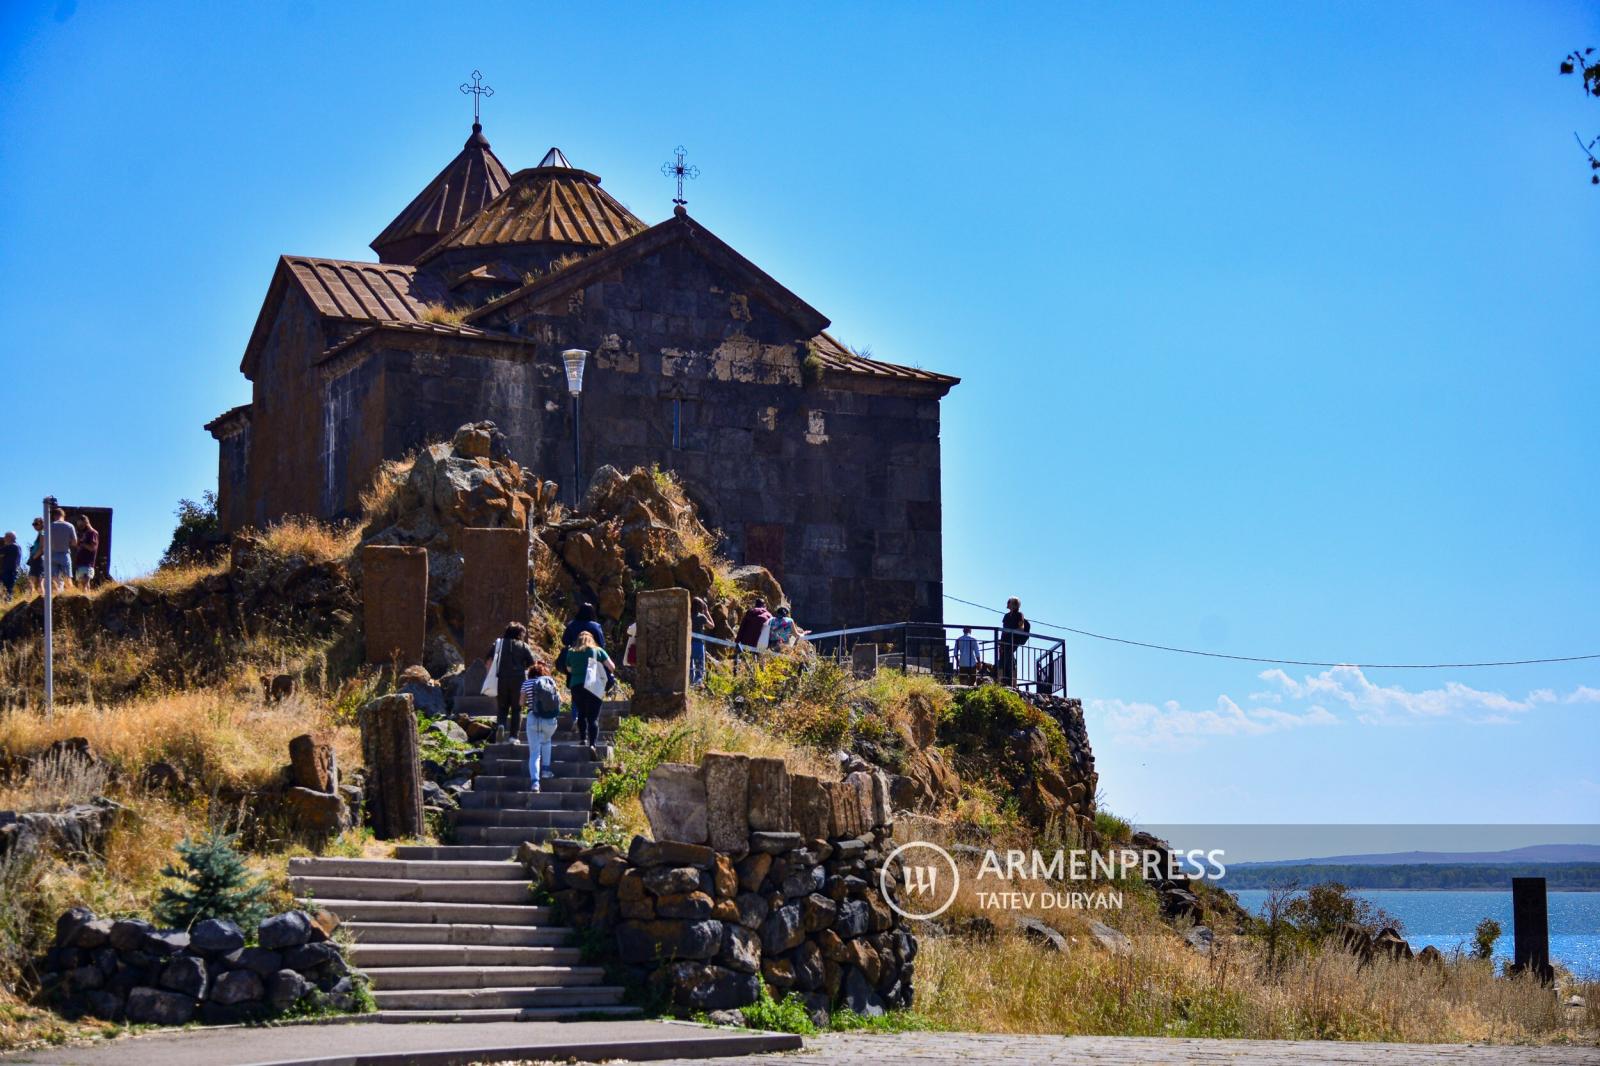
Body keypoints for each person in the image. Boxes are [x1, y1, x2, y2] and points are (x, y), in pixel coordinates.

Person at [559, 630, 614, 753]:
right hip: (593, 685)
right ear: (591, 639)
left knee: (581, 714)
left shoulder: (571, 652)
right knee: (593, 717)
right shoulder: (598, 651)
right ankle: (592, 744)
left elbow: (569, 669)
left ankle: (583, 738)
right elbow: (612, 667)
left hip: (576, 686)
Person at [486, 623, 536, 743]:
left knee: (502, 707)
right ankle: (513, 737)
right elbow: (532, 663)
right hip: (519, 680)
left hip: (501, 679)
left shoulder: (498, 644)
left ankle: (501, 725)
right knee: (517, 709)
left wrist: (490, 675)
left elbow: (489, 661)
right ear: (520, 634)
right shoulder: (524, 646)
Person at [520, 660, 563, 791]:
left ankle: (535, 783)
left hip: (533, 717)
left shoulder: (526, 683)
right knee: (546, 741)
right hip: (549, 720)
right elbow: (560, 700)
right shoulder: (550, 681)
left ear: (531, 673)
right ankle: (545, 770)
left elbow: (521, 702)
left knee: (534, 753)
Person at [997, 597, 1030, 686]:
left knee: (1006, 658)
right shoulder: (1006, 616)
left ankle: (1010, 683)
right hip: (1005, 640)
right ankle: (1005, 682)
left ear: (1014, 605)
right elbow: (1003, 630)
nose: (1007, 603)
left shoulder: (1019, 615)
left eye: (1009, 602)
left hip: (1013, 640)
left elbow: (1021, 628)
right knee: (1005, 658)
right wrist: (1001, 643)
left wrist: (1011, 632)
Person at [45, 507, 76, 591]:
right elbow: (74, 542)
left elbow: (44, 542)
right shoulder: (69, 526)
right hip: (64, 554)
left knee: (55, 580)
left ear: (54, 516)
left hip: (52, 554)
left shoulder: (49, 526)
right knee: (67, 578)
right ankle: (70, 596)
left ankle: (56, 597)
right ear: (63, 515)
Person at [689, 597, 712, 686]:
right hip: (698, 643)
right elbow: (712, 626)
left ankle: (690, 682)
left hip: (689, 643)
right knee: (700, 665)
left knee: (690, 664)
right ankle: (698, 683)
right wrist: (706, 612)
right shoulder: (701, 617)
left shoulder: (688, 616)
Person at [72, 514, 99, 588]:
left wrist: (82, 544)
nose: (80, 527)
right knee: (81, 585)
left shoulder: (92, 533)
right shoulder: (85, 534)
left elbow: (92, 547)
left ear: (85, 522)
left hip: (87, 564)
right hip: (80, 564)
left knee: (84, 585)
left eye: (81, 524)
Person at [0, 532, 20, 600]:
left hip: (7, 571)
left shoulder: (10, 546)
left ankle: (6, 602)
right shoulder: (17, 546)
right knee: (9, 588)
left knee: (6, 588)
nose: (4, 539)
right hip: (13, 571)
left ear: (9, 538)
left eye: (5, 537)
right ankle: (7, 602)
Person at [26, 518, 44, 590]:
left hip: (38, 559)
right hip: (38, 558)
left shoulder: (43, 532)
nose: (34, 526)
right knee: (37, 581)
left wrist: (33, 558)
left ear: (42, 523)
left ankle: (31, 598)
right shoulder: (41, 533)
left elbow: (42, 547)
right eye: (33, 524)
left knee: (34, 580)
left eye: (36, 524)